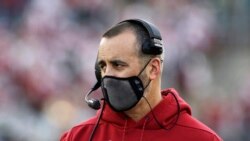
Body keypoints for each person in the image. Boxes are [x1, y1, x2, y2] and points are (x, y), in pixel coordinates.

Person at [60, 19, 223, 141]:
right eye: (103, 66)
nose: (107, 75)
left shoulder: (201, 138)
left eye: (118, 65)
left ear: (153, 68)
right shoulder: (78, 136)